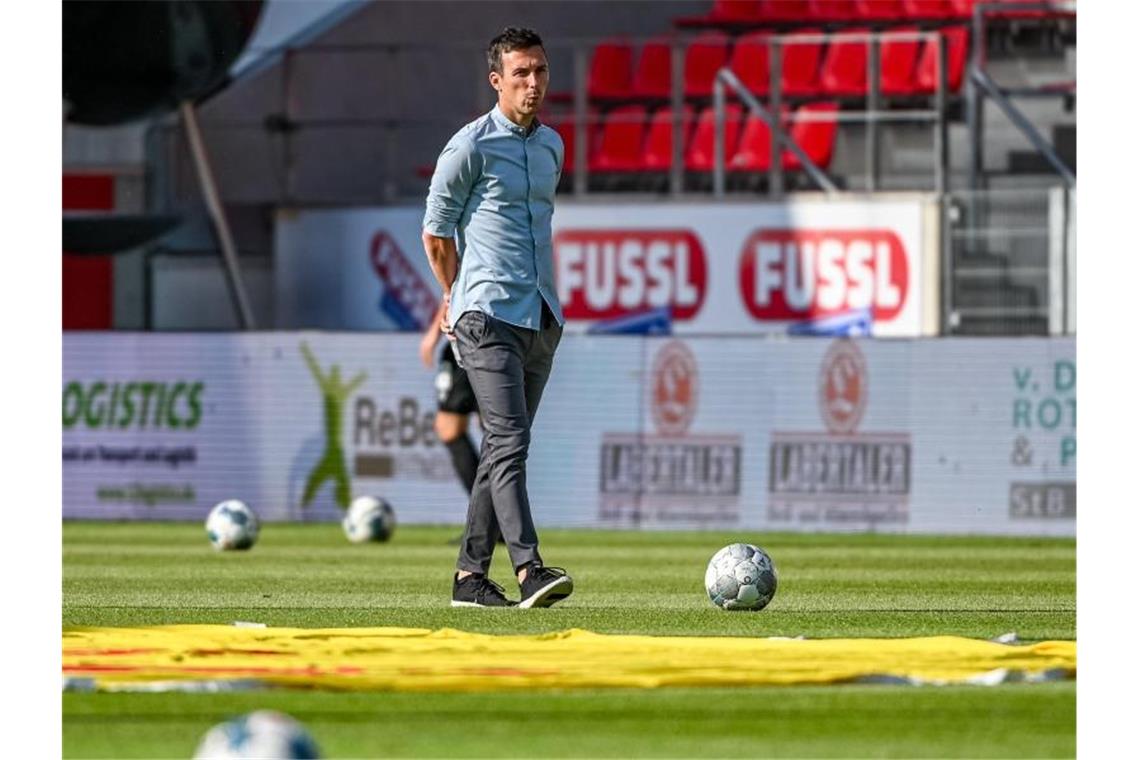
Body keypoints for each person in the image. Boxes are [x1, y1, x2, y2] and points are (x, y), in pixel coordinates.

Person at [421, 26, 572, 609]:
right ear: (496, 81)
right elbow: (436, 233)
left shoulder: (553, 145)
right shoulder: (470, 147)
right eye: (521, 74)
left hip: (540, 315)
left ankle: (469, 579)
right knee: (507, 439)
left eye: (540, 71)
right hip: (484, 314)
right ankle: (529, 569)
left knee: (503, 448)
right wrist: (453, 294)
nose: (533, 83)